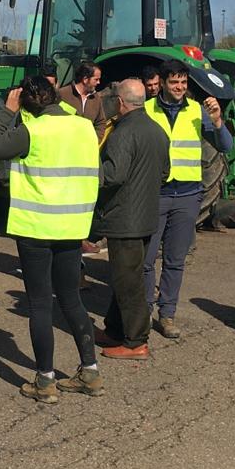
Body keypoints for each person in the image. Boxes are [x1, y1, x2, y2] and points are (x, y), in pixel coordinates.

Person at [0, 74, 104, 402]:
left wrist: (6, 112)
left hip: (36, 227)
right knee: (71, 299)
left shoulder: (31, 131)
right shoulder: (83, 127)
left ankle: (45, 380)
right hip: (72, 226)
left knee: (39, 303)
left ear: (27, 105)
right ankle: (90, 371)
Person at [142, 63, 233, 339]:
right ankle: (143, 312)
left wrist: (217, 121)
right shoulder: (146, 110)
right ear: (163, 83)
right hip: (155, 194)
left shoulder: (197, 111)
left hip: (186, 196)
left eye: (183, 82)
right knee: (145, 260)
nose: (179, 87)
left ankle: (167, 314)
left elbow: (226, 146)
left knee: (175, 260)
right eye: (174, 82)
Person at [94, 78, 169, 361]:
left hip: (125, 218)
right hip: (146, 215)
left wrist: (89, 171)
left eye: (114, 97)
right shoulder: (157, 130)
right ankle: (115, 329)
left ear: (121, 102)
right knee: (124, 276)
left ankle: (136, 340)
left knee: (129, 282)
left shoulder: (123, 132)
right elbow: (164, 172)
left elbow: (113, 175)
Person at [57, 60, 106, 135]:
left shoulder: (96, 98)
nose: (99, 82)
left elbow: (100, 122)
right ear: (85, 79)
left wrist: (95, 140)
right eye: (96, 79)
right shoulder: (62, 94)